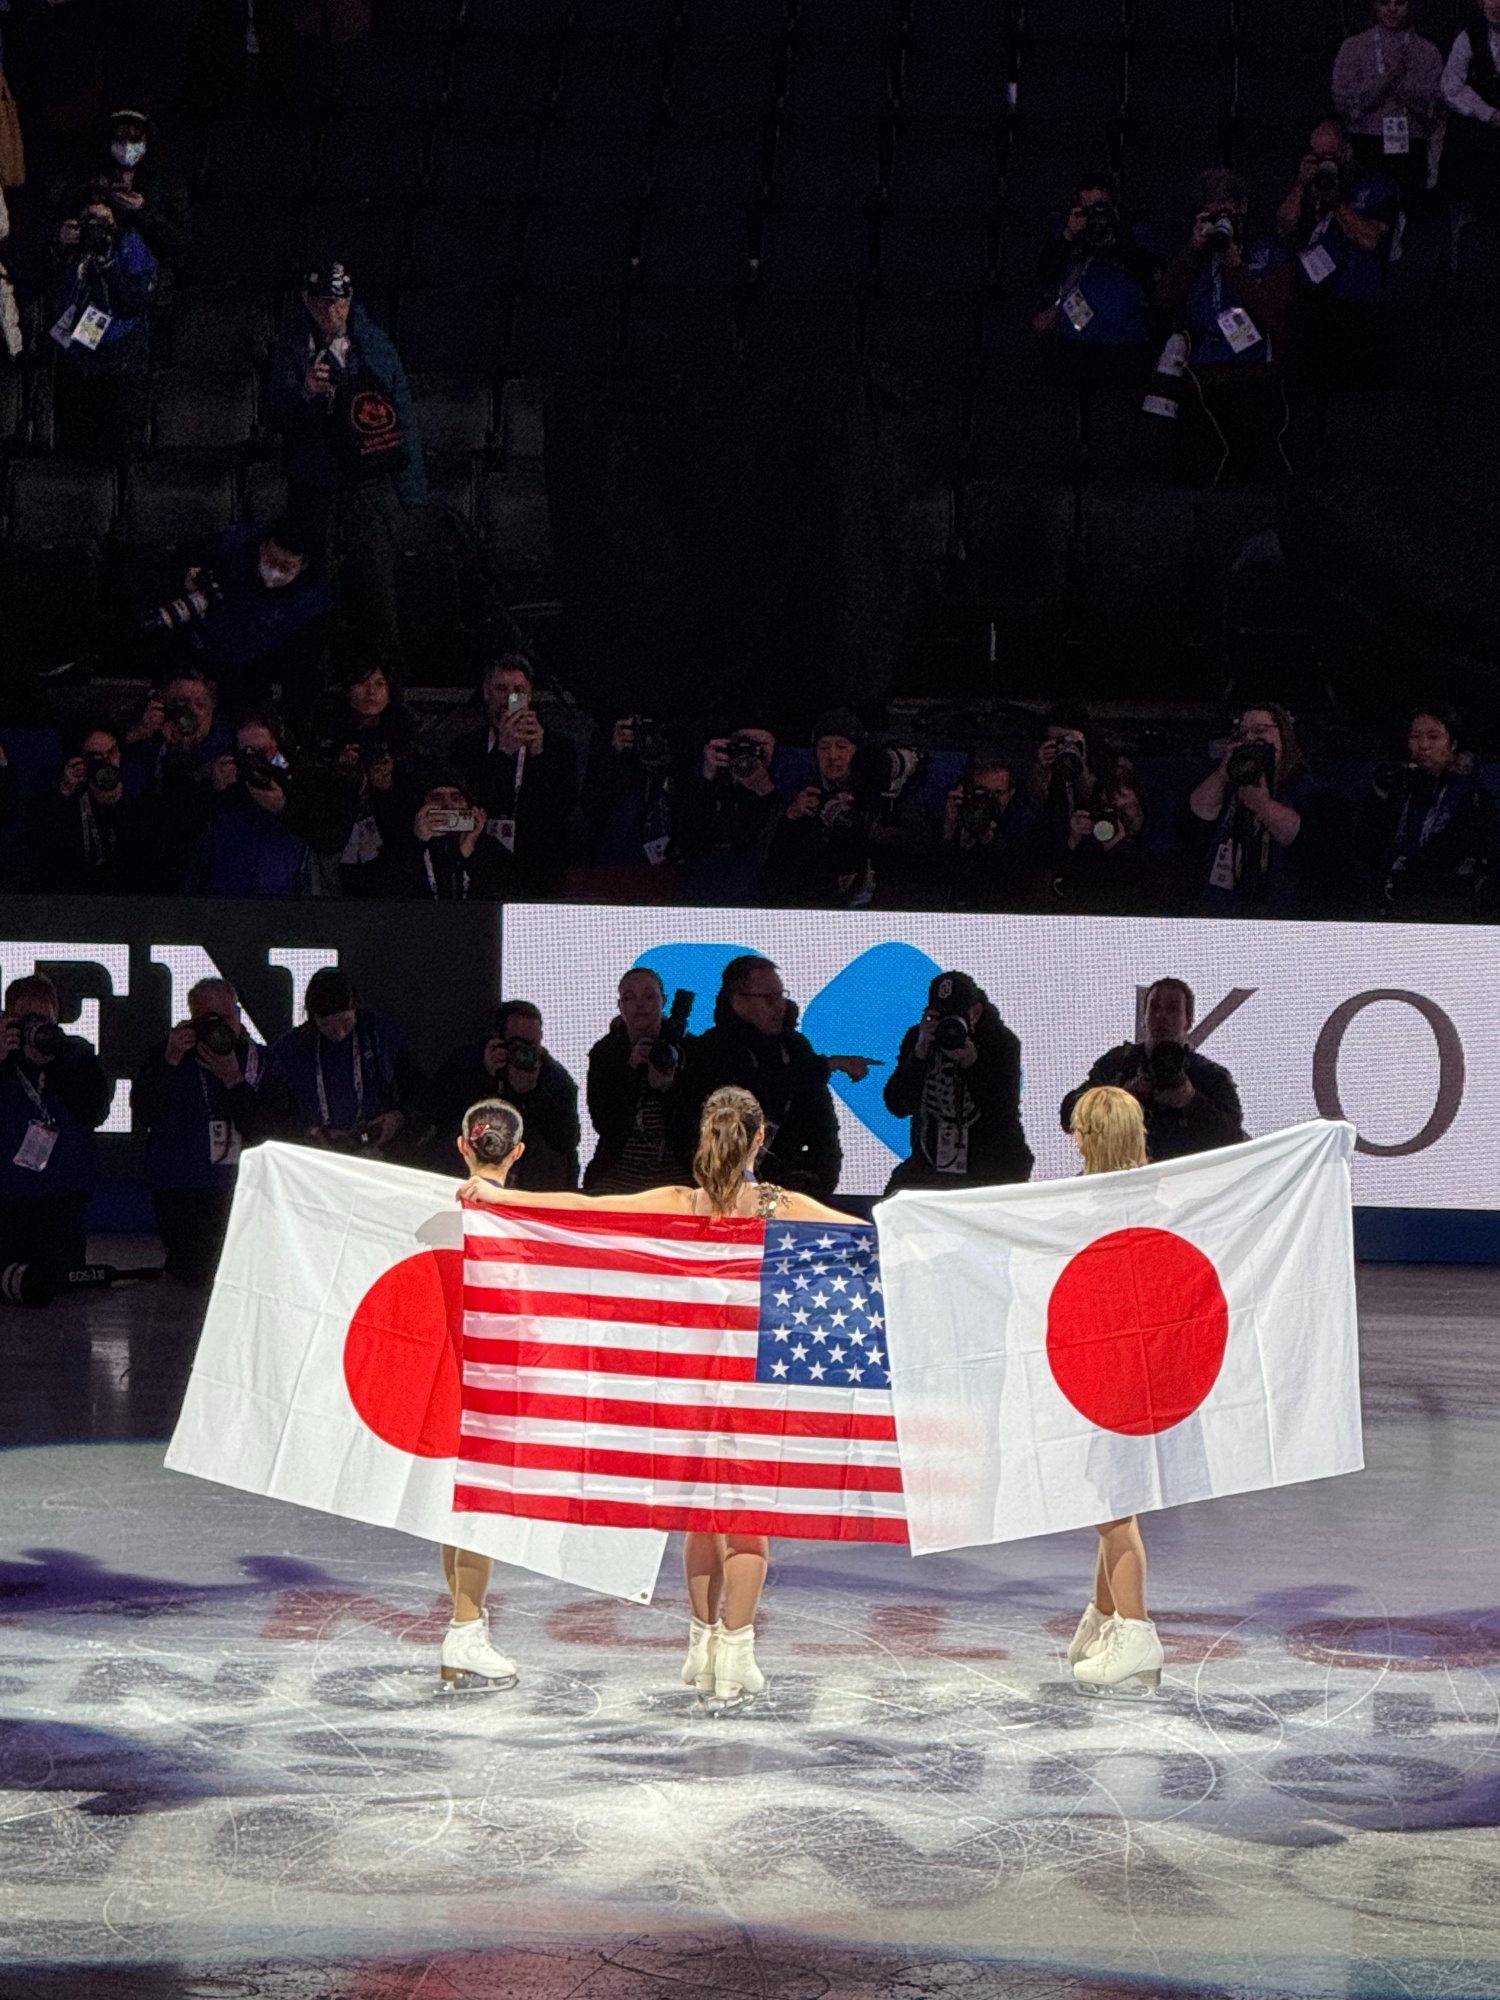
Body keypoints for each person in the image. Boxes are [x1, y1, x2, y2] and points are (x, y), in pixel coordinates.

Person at [458, 1082, 854, 1708]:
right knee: (747, 1520)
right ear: (758, 1138)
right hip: (750, 1386)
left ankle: (701, 1646)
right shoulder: (780, 1206)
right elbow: (872, 1238)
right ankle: (735, 1654)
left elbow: (581, 1209)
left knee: (701, 1513)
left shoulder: (678, 1201)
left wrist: (503, 1197)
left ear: (705, 1136)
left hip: (688, 1383)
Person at [263, 260, 425, 667]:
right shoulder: (291, 348)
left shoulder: (374, 345)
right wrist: (304, 393)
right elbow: (274, 415)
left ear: (349, 300)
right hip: (312, 486)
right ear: (307, 301)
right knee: (311, 598)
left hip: (366, 485)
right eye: (321, 302)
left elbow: (401, 415)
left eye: (337, 302)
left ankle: (386, 688)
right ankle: (310, 689)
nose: (330, 310)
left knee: (377, 595)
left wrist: (411, 493)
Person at [1064, 1085, 1165, 1697]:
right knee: (1108, 1497)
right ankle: (1105, 1617)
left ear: (1095, 1138)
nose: (1073, 1138)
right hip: (1123, 1363)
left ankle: (1135, 1627)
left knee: (1112, 1506)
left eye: (1080, 1129)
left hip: (1114, 1368)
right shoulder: (1154, 1197)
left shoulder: (1092, 1208)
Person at [436, 1097, 525, 1693]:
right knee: (478, 1506)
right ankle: (465, 1630)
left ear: (463, 1146)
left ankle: (464, 1629)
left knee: (460, 1505)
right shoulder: (527, 1217)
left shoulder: (437, 1209)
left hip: (446, 1373)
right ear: (517, 1153)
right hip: (495, 1380)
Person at [131, 977, 289, 1286]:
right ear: (192, 1020)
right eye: (208, 1019)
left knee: (247, 1274)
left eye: (225, 1018)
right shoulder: (170, 1056)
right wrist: (169, 1061)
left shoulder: (263, 1062)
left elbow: (272, 1134)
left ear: (239, 1016)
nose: (219, 1028)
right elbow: (145, 1113)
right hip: (184, 1192)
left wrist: (234, 1082)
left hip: (245, 1190)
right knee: (194, 1275)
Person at [1156, 169, 1294, 485]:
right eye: (1213, 212)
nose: (1222, 221)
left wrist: (1236, 267)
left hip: (1252, 376)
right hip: (1199, 377)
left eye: (1228, 211)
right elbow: (1164, 300)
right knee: (1197, 474)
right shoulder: (1195, 253)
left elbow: (1273, 315)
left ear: (1242, 207)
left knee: (1252, 476)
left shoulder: (1269, 252)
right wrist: (1192, 250)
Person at [685, 956, 841, 1198]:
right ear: (738, 1001)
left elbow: (824, 1130)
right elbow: (691, 1135)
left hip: (794, 1197)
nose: (780, 1006)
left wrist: (818, 1185)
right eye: (769, 998)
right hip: (722, 1196)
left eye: (781, 996)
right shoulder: (708, 1052)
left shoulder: (796, 1049)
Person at [146, 518, 334, 714]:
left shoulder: (312, 603)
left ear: (303, 564)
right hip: (195, 649)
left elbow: (305, 665)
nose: (275, 572)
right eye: (270, 561)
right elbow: (178, 558)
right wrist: (188, 577)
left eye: (286, 567)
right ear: (263, 547)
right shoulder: (235, 546)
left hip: (251, 672)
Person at [0, 973, 112, 1298]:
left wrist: (55, 1061)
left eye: (44, 1021)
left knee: (57, 1282)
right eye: (27, 1021)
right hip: (6, 1200)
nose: (36, 1029)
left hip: (61, 1200)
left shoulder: (76, 1055)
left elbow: (94, 1112)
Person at [1059, 977, 1246, 1163]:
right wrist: (1121, 1097)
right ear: (1144, 1017)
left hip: (1189, 1176)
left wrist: (1191, 1101)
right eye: (1154, 1007)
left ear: (1188, 1021)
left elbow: (1234, 1142)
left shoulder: (1209, 1075)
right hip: (1126, 1172)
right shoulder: (1118, 1063)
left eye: (1172, 1009)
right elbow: (1069, 1116)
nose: (1161, 1016)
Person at [1185, 702, 1348, 916]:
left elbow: (1310, 848)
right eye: (1243, 734)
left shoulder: (1314, 792)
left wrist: (1263, 805)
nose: (1250, 739)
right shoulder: (1232, 785)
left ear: (1284, 737)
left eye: (1260, 731)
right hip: (1224, 911)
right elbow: (1196, 818)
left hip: (1282, 914)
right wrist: (1223, 773)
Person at [882, 970, 1032, 1193]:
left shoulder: (1001, 1041)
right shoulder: (919, 1038)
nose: (948, 1023)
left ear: (975, 1012)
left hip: (991, 1165)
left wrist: (973, 1066)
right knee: (896, 1195)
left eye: (956, 1014)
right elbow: (897, 1106)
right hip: (931, 1164)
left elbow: (1002, 1110)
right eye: (939, 1015)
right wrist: (918, 1056)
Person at [1275, 121, 1399, 390]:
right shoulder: (1309, 188)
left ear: (1346, 151)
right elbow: (1283, 227)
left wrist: (1336, 203)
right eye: (1316, 156)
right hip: (1311, 307)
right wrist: (1300, 185)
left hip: (1357, 310)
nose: (1323, 163)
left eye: (1329, 155)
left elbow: (1369, 238)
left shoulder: (1376, 186)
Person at [766, 710, 930, 909]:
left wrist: (866, 828)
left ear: (858, 751)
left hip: (884, 906)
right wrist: (791, 817)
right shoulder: (806, 795)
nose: (832, 756)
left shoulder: (890, 794)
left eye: (841, 747)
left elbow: (919, 847)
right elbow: (774, 870)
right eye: (823, 748)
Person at [185, 711, 356, 898]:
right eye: (249, 752)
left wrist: (284, 808)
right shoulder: (227, 789)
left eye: (263, 750)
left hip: (284, 902)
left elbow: (330, 838)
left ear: (276, 746)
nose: (256, 759)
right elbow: (186, 828)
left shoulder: (298, 782)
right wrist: (214, 788)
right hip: (221, 901)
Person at [448, 657, 579, 898]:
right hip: (482, 862)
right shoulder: (464, 748)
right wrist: (504, 754)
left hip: (539, 867)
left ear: (529, 696)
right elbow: (470, 806)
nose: (509, 698)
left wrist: (539, 755)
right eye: (501, 689)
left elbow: (561, 808)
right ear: (486, 693)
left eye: (518, 690)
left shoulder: (559, 747)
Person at [419, 1002, 579, 1190]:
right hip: (461, 1176)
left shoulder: (555, 1080)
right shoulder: (466, 1063)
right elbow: (433, 1113)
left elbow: (566, 1142)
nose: (525, 1053)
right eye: (518, 1044)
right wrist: (483, 1076)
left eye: (532, 1045)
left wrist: (532, 1095)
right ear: (498, 1039)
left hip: (527, 1184)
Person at [1359, 703, 1497, 917]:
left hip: (1451, 903)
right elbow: (1368, 848)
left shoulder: (1472, 793)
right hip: (1396, 901)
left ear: (1453, 743)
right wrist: (1380, 799)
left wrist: (1408, 873)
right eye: (1415, 737)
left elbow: (1457, 850)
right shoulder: (1399, 787)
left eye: (1433, 737)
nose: (1423, 746)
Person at [49, 193, 158, 459]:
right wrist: (58, 246)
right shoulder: (73, 256)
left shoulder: (129, 245)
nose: (95, 229)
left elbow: (132, 302)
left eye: (103, 221)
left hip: (121, 364)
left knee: (117, 447)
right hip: (76, 365)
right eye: (88, 221)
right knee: (75, 449)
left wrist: (108, 264)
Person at [272, 967, 419, 1157]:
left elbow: (416, 1091)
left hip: (377, 1147)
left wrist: (397, 1118)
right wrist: (312, 1133)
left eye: (346, 1022)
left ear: (355, 1008)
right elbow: (276, 1112)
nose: (339, 1033)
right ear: (312, 1017)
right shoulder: (291, 1049)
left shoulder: (381, 1036)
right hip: (314, 1152)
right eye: (327, 1025)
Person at [1032, 175, 1156, 387]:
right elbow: (1046, 274)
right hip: (1074, 344)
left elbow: (1148, 272)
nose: (1095, 216)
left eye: (1101, 208)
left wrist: (1115, 238)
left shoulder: (1135, 231)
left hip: (1126, 344)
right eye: (1088, 209)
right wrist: (1069, 236)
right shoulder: (1066, 232)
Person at [584, 966, 697, 1193]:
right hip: (620, 1167)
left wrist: (667, 1089)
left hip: (679, 1167)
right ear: (620, 1006)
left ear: (663, 1001)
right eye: (630, 997)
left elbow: (695, 1127)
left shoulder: (690, 1049)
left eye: (648, 996)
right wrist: (630, 1074)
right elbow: (604, 1125)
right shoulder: (606, 1053)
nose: (640, 1004)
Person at [1332, 0, 1446, 207]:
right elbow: (1343, 101)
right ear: (1375, 5)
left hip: (1412, 145)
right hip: (1366, 143)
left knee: (1411, 210)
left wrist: (1403, 87)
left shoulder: (1428, 51)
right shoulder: (1353, 47)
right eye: (1385, 3)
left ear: (1409, 6)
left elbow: (1437, 106)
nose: (1392, 9)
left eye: (1399, 3)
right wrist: (1383, 82)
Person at [24, 723, 142, 893]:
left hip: (122, 891)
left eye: (112, 752)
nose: (107, 762)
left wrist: (116, 800)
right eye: (96, 757)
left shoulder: (133, 786)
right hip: (72, 891)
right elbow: (42, 846)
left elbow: (140, 851)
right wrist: (64, 792)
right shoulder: (61, 789)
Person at [581, 715, 687, 901]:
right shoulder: (611, 754)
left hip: (666, 880)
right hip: (615, 875)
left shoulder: (681, 771)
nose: (648, 740)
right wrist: (614, 753)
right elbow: (593, 810)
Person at [675, 721, 782, 905]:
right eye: (743, 744)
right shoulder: (711, 782)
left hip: (759, 898)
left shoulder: (789, 781)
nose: (749, 752)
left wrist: (765, 791)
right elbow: (687, 841)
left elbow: (783, 845)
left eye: (760, 745)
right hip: (704, 893)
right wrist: (706, 778)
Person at [394, 773, 513, 901]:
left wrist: (471, 853)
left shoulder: (488, 847)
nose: (448, 805)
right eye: (437, 798)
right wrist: (417, 843)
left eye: (457, 798)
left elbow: (508, 894)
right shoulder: (403, 847)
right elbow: (390, 892)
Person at [1440, 0, 1500, 252]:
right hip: (1475, 144)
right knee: (1471, 217)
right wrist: (1487, 113)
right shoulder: (1468, 37)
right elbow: (1450, 86)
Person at [941, 750, 1029, 910]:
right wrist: (949, 833)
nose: (990, 801)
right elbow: (938, 880)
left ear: (1011, 793)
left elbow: (1013, 887)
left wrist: (989, 844)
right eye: (983, 792)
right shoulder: (957, 818)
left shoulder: (1023, 827)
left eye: (998, 793)